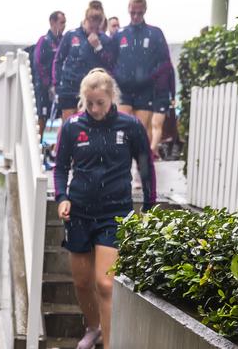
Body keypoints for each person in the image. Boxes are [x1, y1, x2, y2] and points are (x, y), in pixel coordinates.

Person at [54, 68, 156, 349]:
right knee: (83, 283)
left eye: (101, 102)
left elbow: (146, 167)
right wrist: (62, 197)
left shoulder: (130, 126)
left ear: (112, 97)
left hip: (115, 212)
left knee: (106, 284)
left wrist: (150, 203)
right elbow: (61, 168)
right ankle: (93, 327)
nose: (95, 109)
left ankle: (109, 344)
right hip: (79, 212)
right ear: (83, 100)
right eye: (90, 103)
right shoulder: (73, 126)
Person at [109, 0, 171, 142]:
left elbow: (164, 62)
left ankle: (143, 163)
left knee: (141, 131)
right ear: (128, 10)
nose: (136, 16)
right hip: (123, 90)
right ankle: (123, 163)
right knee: (121, 130)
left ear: (145, 11)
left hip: (145, 91)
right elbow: (110, 61)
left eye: (139, 13)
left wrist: (150, 78)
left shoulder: (155, 34)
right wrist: (118, 77)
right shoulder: (120, 35)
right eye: (133, 13)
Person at [52, 0, 112, 123]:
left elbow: (110, 64)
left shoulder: (105, 40)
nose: (93, 28)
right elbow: (58, 60)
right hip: (69, 87)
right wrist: (57, 84)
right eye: (91, 24)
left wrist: (98, 48)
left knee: (84, 125)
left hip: (90, 90)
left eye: (97, 26)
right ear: (86, 19)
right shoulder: (71, 35)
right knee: (68, 125)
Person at [34, 10, 66, 139]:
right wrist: (48, 84)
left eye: (65, 23)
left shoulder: (63, 41)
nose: (64, 25)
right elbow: (39, 64)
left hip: (58, 88)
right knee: (43, 117)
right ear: (52, 22)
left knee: (55, 118)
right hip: (43, 90)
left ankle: (47, 147)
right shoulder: (44, 41)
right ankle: (40, 147)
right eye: (61, 22)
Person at [150, 51, 177, 158]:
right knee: (152, 125)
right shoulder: (162, 65)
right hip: (152, 96)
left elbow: (172, 82)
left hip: (161, 97)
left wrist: (173, 97)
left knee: (156, 124)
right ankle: (154, 150)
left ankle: (152, 150)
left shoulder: (167, 66)